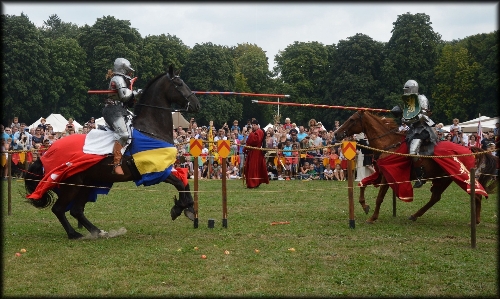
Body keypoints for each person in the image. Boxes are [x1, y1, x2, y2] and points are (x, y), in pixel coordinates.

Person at [392, 79, 437, 188]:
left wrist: (407, 119)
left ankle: (420, 176)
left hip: (423, 129)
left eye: (407, 89)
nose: (406, 91)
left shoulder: (421, 99)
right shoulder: (409, 101)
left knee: (412, 152)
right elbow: (407, 115)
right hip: (412, 129)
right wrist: (400, 115)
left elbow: (423, 116)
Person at [103, 58, 142, 175]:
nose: (129, 73)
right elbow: (124, 96)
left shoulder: (122, 79)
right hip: (112, 110)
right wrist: (137, 93)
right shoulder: (117, 79)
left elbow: (127, 100)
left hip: (121, 110)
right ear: (123, 69)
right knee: (123, 134)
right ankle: (116, 164)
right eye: (127, 70)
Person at [243, 119, 269, 188]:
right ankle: (252, 183)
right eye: (252, 125)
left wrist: (251, 133)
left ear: (257, 125)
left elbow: (255, 140)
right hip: (252, 152)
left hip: (256, 152)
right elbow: (249, 142)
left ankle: (253, 183)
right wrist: (246, 148)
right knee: (250, 167)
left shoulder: (259, 131)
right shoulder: (255, 132)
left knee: (253, 168)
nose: (253, 126)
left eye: (254, 125)